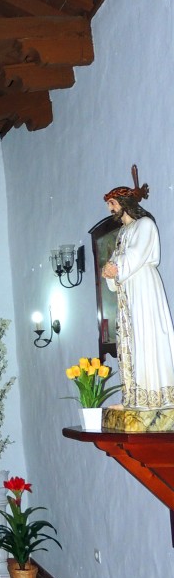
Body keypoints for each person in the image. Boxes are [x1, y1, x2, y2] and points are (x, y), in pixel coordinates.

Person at [101, 167, 174, 409]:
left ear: (123, 202)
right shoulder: (122, 232)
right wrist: (109, 270)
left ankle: (154, 397)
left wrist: (116, 267)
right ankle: (133, 398)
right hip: (128, 291)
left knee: (147, 336)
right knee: (130, 341)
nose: (110, 208)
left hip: (143, 286)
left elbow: (136, 255)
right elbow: (118, 258)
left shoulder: (145, 225)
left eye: (112, 203)